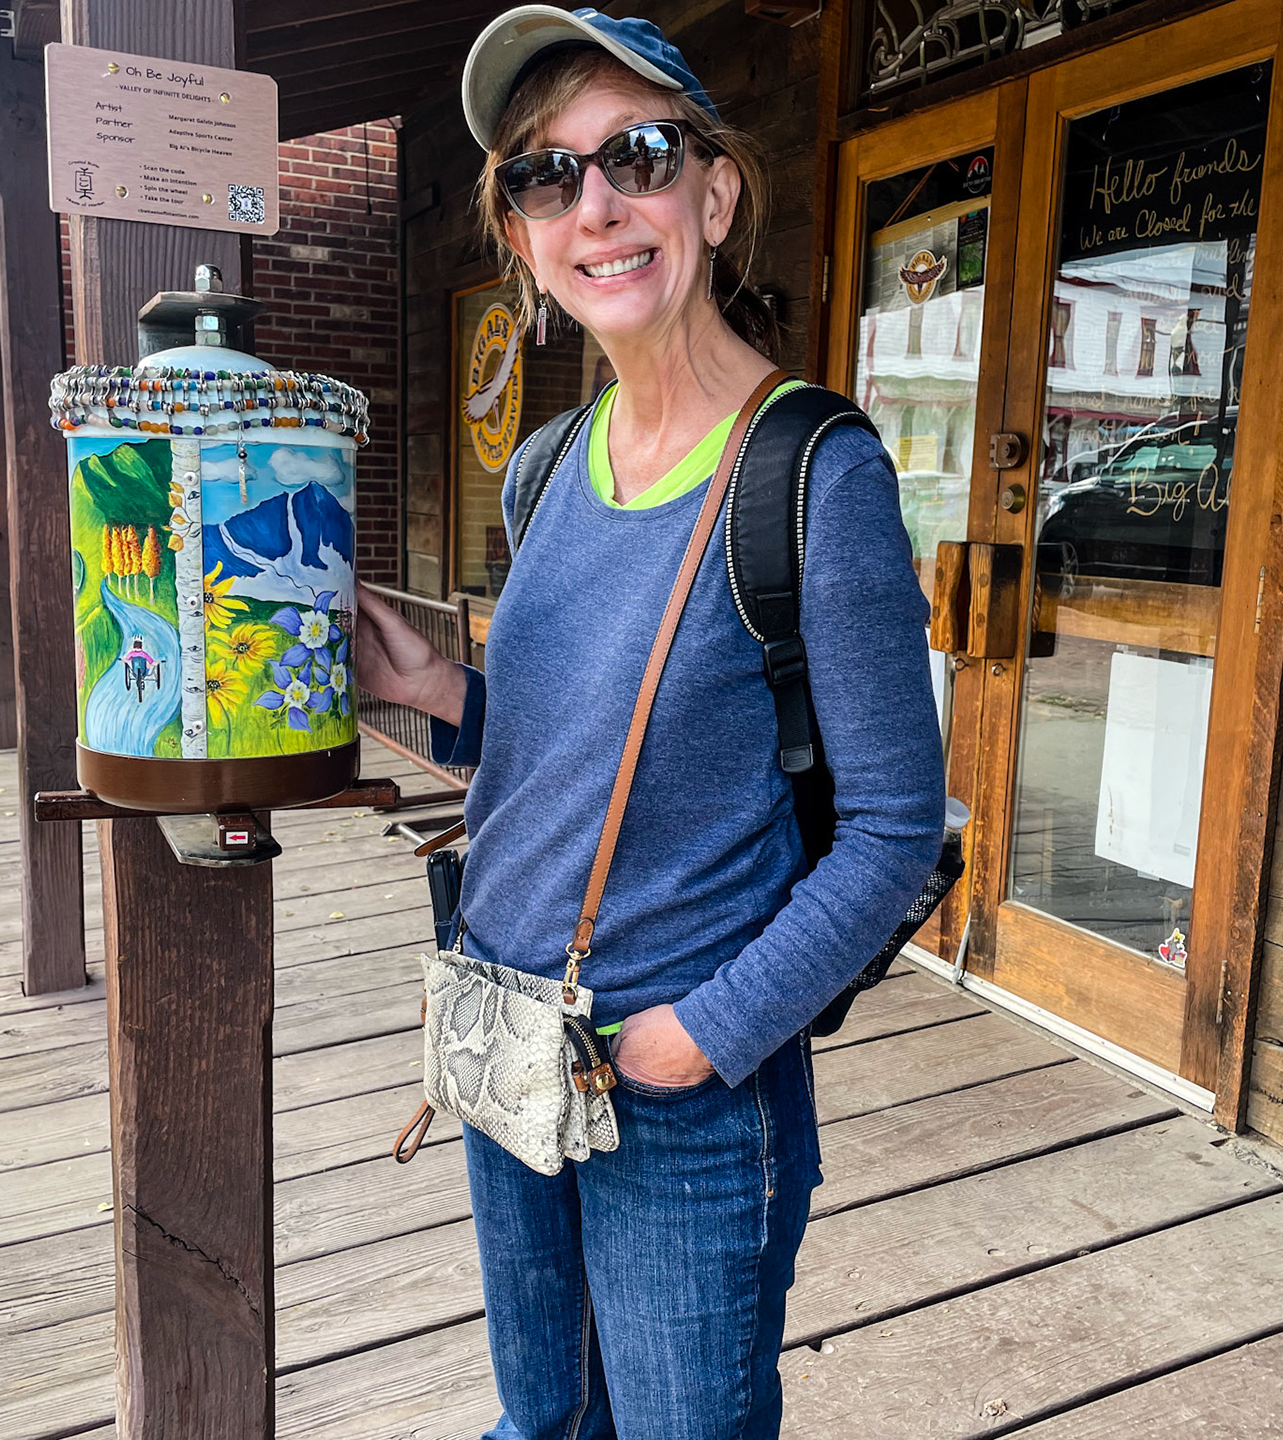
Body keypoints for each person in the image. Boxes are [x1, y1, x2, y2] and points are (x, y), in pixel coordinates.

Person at [353, 8, 944, 1437]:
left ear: (716, 192)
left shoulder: (813, 474)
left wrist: (703, 1035)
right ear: (521, 234)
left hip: (677, 1090)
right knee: (544, 1422)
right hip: (506, 1029)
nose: (596, 205)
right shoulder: (548, 468)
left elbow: (893, 834)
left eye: (636, 154)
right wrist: (440, 699)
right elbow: (579, 762)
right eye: (546, 176)